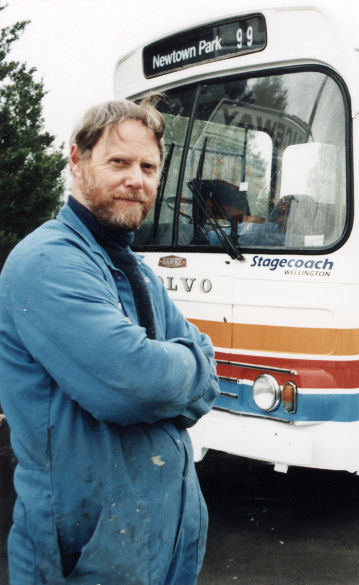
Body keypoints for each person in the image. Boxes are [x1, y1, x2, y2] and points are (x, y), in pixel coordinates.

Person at [0, 98, 219, 584]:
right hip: (87, 556)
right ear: (76, 160)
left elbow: (206, 383)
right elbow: (133, 386)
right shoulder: (46, 262)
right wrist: (189, 364)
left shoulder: (134, 267)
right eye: (118, 162)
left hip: (154, 547)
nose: (135, 180)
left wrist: (184, 368)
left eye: (148, 166)